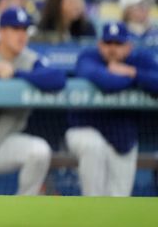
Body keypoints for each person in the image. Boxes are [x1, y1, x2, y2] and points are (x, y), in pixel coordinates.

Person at [0, 7, 66, 195]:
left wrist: (17, 73)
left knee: (39, 151)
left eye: (24, 30)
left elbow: (58, 78)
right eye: (15, 29)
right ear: (1, 31)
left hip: (2, 145)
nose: (21, 35)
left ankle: (24, 209)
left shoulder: (30, 60)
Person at [66, 22, 158, 196]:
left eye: (118, 44)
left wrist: (133, 73)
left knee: (119, 201)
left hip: (122, 137)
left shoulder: (138, 61)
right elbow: (107, 82)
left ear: (129, 46)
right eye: (108, 43)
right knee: (94, 146)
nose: (112, 49)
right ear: (100, 44)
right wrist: (135, 81)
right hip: (85, 130)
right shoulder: (88, 57)